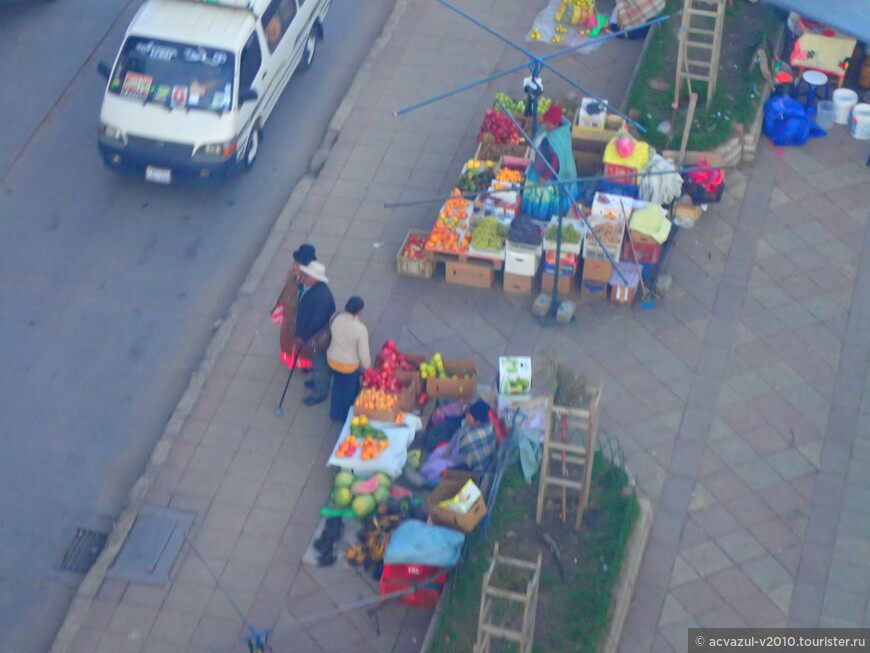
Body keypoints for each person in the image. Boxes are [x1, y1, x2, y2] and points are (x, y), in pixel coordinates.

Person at [520, 105, 579, 221]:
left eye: (549, 124)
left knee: (544, 194)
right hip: (540, 164)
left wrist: (545, 177)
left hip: (551, 173)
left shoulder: (557, 138)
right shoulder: (546, 130)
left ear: (556, 124)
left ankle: (543, 218)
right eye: (545, 123)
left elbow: (556, 161)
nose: (546, 125)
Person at [420, 400, 496, 483]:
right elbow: (459, 432)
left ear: (477, 422)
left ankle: (425, 479)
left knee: (436, 466)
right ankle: (427, 469)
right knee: (438, 452)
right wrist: (449, 449)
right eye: (467, 414)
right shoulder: (476, 423)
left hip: (468, 465)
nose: (466, 417)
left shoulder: (471, 440)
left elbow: (464, 459)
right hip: (460, 450)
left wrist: (448, 458)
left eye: (469, 416)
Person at [294, 261, 335, 406]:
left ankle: (320, 392)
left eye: (308, 275)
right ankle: (318, 382)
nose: (304, 277)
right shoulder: (313, 288)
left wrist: (301, 337)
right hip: (311, 335)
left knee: (320, 366)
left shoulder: (322, 297)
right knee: (317, 363)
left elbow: (315, 322)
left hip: (318, 338)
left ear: (315, 278)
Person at [271, 244, 316, 374]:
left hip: (301, 319)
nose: (294, 266)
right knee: (288, 340)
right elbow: (285, 289)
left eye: (298, 264)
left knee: (302, 346)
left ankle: (306, 364)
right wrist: (279, 304)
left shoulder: (309, 282)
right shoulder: (292, 274)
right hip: (289, 316)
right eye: (295, 263)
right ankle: (295, 360)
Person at [326, 296, 371, 422]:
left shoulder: (336, 318)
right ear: (359, 311)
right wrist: (367, 366)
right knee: (346, 393)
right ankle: (342, 416)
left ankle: (335, 412)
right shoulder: (360, 329)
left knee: (337, 385)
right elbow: (363, 353)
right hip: (348, 366)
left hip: (332, 359)